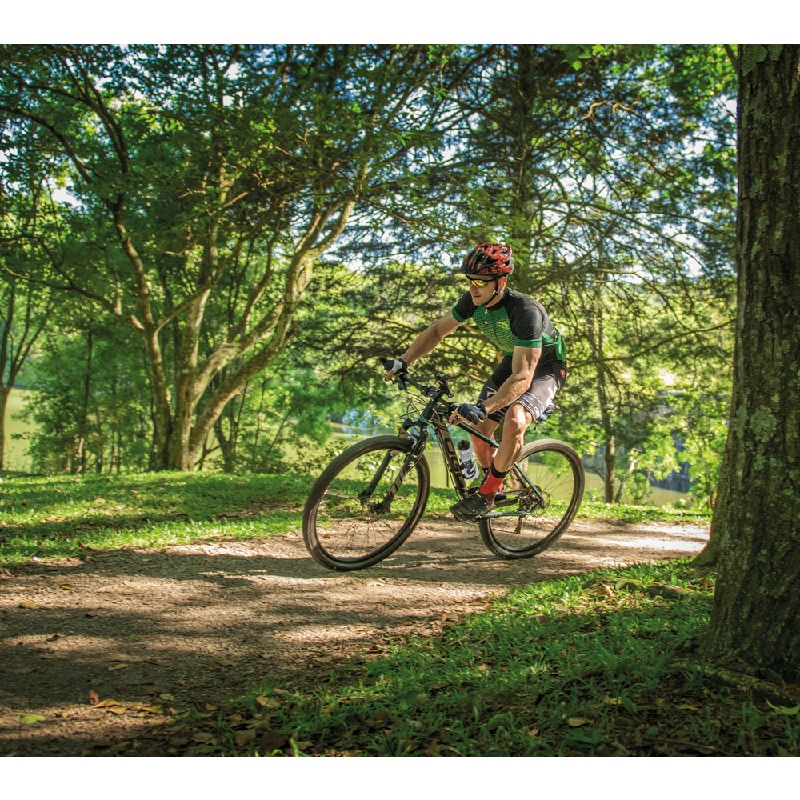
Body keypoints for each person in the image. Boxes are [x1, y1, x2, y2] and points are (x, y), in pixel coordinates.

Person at [384, 243, 567, 521]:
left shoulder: (525, 311)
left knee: (514, 420)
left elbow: (523, 377)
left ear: (501, 282)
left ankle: (487, 493)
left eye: (481, 281)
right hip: (514, 358)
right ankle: (494, 486)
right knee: (479, 430)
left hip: (546, 368)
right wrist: (404, 361)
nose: (473, 287)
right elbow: (436, 332)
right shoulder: (473, 301)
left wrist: (486, 407)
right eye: (470, 280)